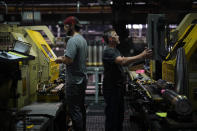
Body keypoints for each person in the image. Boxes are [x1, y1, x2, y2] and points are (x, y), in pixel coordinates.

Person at [102, 29, 152, 131]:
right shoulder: (109, 51)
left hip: (117, 88)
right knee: (113, 116)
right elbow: (123, 61)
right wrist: (141, 55)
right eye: (116, 35)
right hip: (112, 88)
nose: (118, 36)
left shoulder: (115, 50)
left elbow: (124, 60)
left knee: (118, 115)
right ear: (111, 39)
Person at [55, 16, 88, 131]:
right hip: (82, 79)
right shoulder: (82, 39)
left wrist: (59, 59)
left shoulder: (72, 40)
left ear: (72, 25)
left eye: (66, 26)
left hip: (74, 81)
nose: (64, 28)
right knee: (81, 108)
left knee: (74, 111)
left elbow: (69, 60)